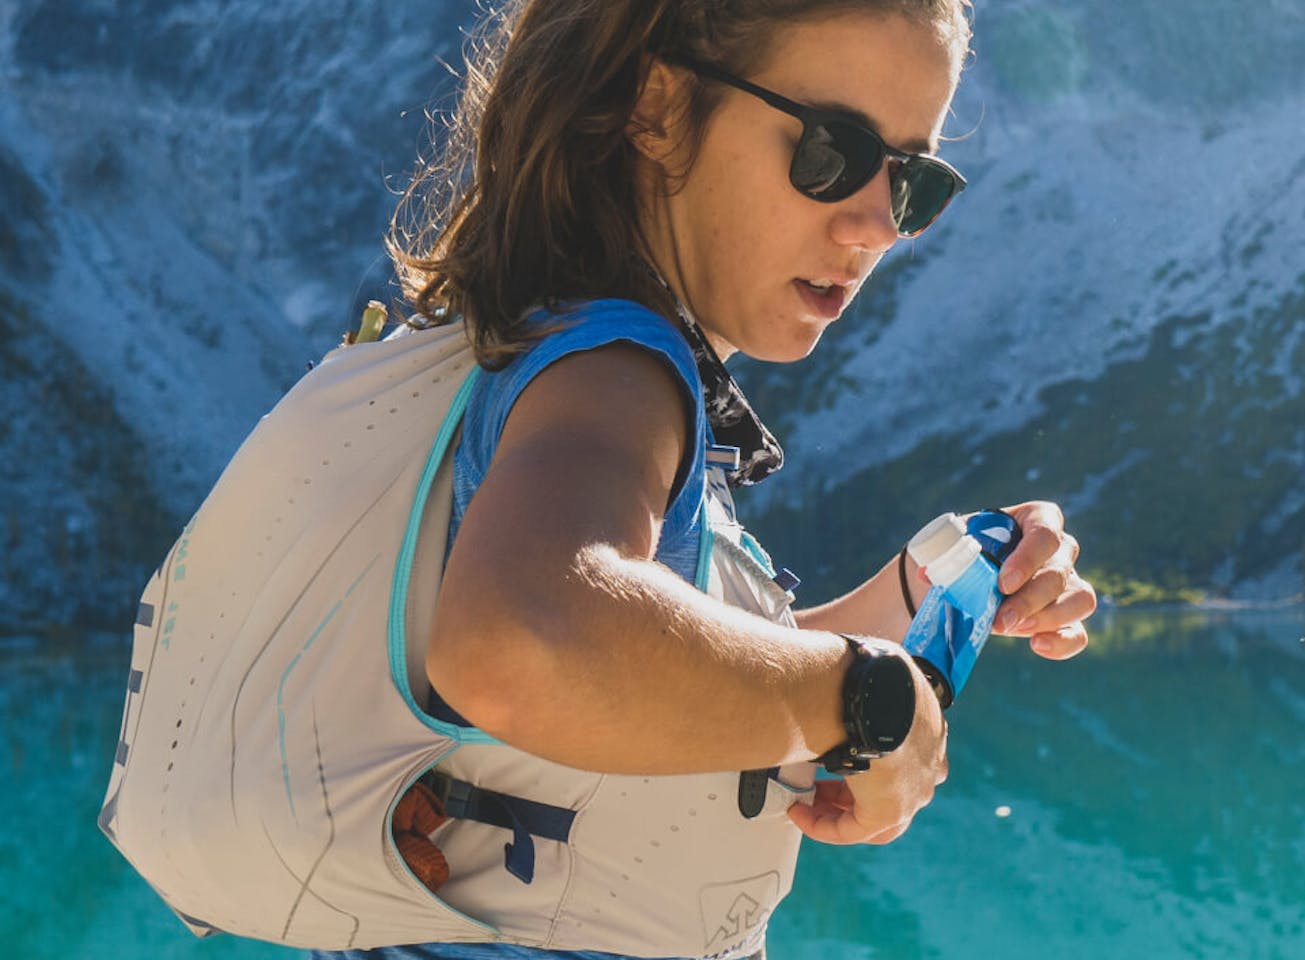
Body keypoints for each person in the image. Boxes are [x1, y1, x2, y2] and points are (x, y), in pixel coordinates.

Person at [319, 0, 1096, 957]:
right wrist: (870, 699)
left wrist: (919, 593)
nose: (875, 226)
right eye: (833, 151)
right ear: (657, 105)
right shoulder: (614, 374)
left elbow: (654, 679)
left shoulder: (536, 346)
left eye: (910, 182)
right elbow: (518, 642)